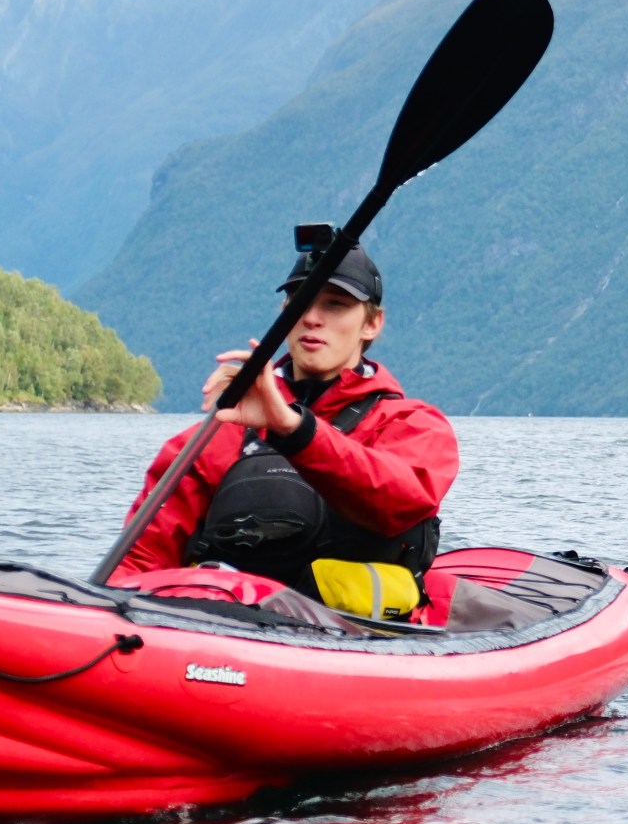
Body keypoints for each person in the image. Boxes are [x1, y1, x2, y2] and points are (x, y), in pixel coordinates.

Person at [114, 236, 459, 602]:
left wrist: (294, 429)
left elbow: (403, 500)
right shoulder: (214, 436)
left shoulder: (412, 425)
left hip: (363, 638)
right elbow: (140, 559)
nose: (311, 318)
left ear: (372, 324)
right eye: (300, 302)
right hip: (230, 632)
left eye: (335, 305)